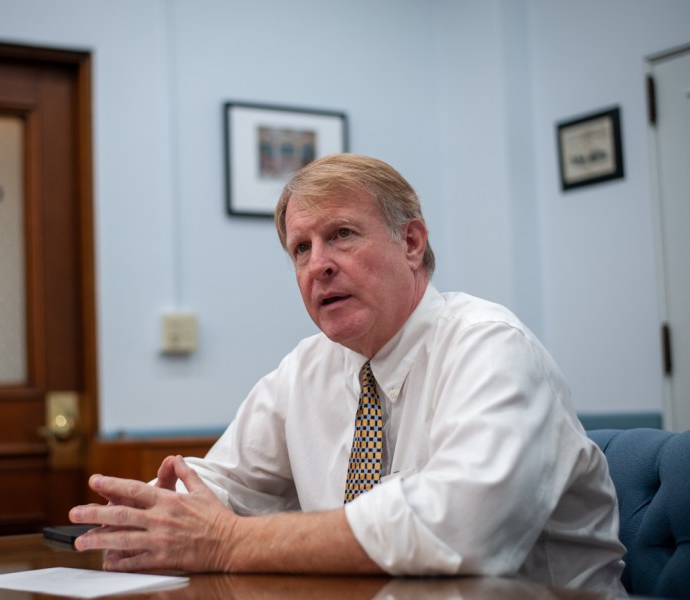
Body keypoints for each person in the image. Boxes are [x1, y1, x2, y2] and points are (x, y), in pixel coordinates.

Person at [69, 153, 625, 593]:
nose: (318, 265)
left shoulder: (492, 346)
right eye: (300, 248)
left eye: (341, 235)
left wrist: (229, 542)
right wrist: (153, 511)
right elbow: (227, 482)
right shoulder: (306, 368)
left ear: (411, 242)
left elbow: (461, 528)